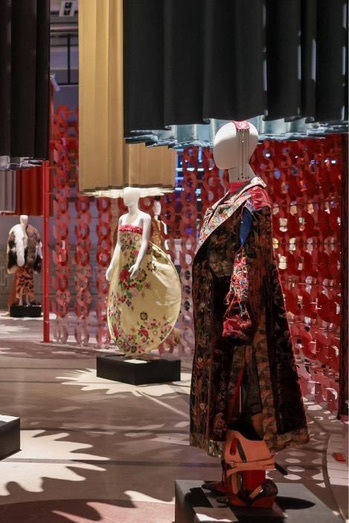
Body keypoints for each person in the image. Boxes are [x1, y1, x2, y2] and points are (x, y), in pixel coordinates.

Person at [190, 121, 308, 507]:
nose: (215, 151)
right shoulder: (231, 197)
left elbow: (250, 259)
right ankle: (231, 478)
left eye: (223, 143)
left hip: (242, 322)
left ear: (244, 148)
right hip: (218, 319)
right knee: (227, 401)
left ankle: (251, 486)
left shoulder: (254, 200)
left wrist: (238, 315)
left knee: (247, 399)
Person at [105, 187, 181, 358]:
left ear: (137, 196)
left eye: (128, 195)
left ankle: (142, 345)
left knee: (141, 303)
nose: (125, 198)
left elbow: (145, 242)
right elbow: (119, 245)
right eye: (124, 195)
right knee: (123, 305)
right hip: (123, 267)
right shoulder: (122, 218)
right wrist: (111, 265)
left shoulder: (144, 217)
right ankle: (128, 344)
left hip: (139, 266)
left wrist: (138, 264)